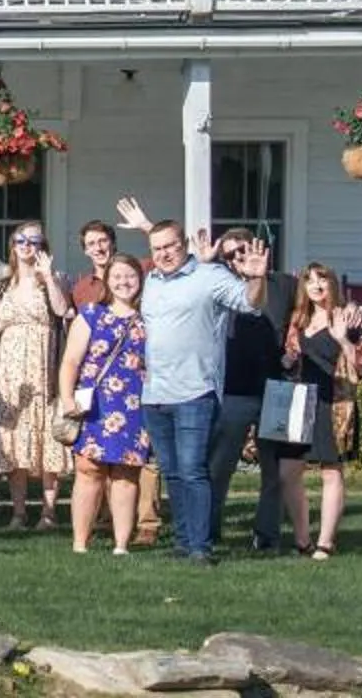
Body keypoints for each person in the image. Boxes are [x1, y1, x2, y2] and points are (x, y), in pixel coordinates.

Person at [117, 196, 260, 563]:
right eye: (157, 248)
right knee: (173, 472)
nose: (164, 253)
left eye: (171, 247)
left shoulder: (210, 277)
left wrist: (256, 278)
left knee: (195, 470)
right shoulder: (152, 281)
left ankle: (201, 545)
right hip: (156, 394)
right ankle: (183, 543)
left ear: (185, 246)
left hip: (196, 392)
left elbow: (250, 304)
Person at [205, 228, 299, 553]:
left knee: (275, 471)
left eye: (241, 249)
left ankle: (267, 535)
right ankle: (209, 531)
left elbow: (314, 308)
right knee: (220, 467)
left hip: (278, 387)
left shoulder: (285, 285)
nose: (237, 257)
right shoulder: (221, 288)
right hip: (233, 389)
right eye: (228, 255)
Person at [61, 255, 152, 555]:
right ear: (107, 281)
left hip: (133, 405)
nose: (124, 282)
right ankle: (80, 543)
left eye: (130, 276)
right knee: (89, 471)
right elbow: (71, 361)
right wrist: (67, 398)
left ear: (140, 280)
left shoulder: (148, 319)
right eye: (117, 276)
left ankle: (121, 544)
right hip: (94, 405)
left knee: (126, 474)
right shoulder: (91, 315)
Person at [275, 263, 362, 559]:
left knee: (331, 471)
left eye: (322, 279)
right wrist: (289, 358)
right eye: (310, 280)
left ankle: (326, 541)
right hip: (299, 399)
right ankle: (303, 540)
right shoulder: (298, 319)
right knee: (288, 472)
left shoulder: (347, 318)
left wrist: (342, 338)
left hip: (333, 401)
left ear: (332, 283)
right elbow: (287, 360)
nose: (316, 285)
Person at [0, 224, 72, 529]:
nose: (26, 245)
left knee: (48, 441)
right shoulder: (0, 285)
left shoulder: (55, 279)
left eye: (33, 240)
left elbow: (62, 312)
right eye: (20, 240)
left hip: (44, 372)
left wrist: (47, 276)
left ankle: (49, 512)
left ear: (43, 246)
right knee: (13, 444)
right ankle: (19, 512)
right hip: (10, 375)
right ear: (12, 245)